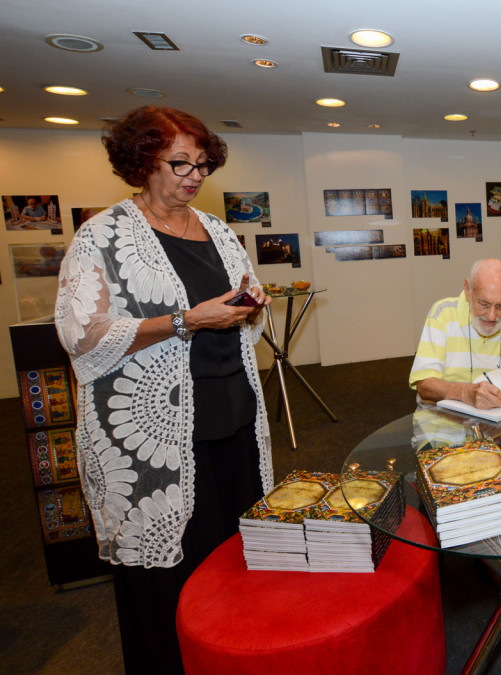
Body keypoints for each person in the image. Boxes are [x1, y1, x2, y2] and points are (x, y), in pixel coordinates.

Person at [54, 105, 273, 674]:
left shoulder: (219, 231)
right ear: (142, 162)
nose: (195, 176)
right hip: (158, 440)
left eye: (202, 164)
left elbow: (235, 306)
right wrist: (184, 321)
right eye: (180, 163)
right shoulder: (100, 236)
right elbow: (84, 336)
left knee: (236, 559)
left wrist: (250, 307)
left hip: (235, 422)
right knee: (171, 577)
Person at [409, 258, 501, 408]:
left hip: (499, 420)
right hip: (446, 423)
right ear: (468, 290)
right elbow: (424, 385)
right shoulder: (443, 314)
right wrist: (465, 392)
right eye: (484, 304)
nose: (492, 316)